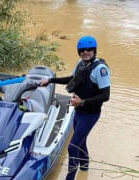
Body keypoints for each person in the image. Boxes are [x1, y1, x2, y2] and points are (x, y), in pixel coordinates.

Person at [40, 35, 110, 180]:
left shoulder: (101, 69)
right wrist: (50, 80)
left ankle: (70, 177)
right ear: (79, 52)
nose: (86, 52)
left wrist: (82, 102)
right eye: (82, 50)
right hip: (78, 111)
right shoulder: (81, 64)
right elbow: (72, 79)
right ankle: (84, 169)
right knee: (80, 142)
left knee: (72, 146)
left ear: (94, 50)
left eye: (89, 49)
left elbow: (105, 96)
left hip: (90, 113)